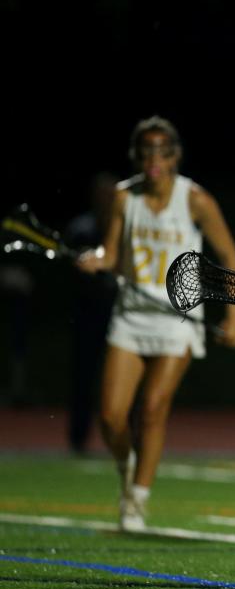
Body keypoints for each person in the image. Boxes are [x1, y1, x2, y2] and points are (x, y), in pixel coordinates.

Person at [77, 116, 235, 531]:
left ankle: (137, 500)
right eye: (146, 151)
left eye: (162, 151)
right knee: (112, 418)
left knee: (152, 409)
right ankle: (126, 465)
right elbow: (114, 253)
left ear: (175, 157)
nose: (154, 159)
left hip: (178, 321)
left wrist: (234, 314)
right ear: (136, 156)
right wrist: (96, 259)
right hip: (131, 314)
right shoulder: (123, 197)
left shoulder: (195, 200)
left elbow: (230, 257)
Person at [64, 172, 120, 454]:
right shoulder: (81, 227)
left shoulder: (125, 228)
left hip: (121, 316)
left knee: (122, 381)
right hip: (88, 315)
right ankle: (78, 440)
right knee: (84, 378)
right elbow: (70, 275)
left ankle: (126, 440)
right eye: (102, 194)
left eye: (111, 194)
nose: (106, 199)